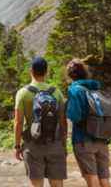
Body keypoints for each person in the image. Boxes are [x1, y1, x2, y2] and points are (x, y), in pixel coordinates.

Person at [14, 57, 68, 187]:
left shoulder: (22, 93)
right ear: (47, 71)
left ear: (30, 71)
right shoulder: (56, 92)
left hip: (33, 144)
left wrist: (17, 146)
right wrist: (63, 144)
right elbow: (63, 121)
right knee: (57, 184)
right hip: (54, 143)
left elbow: (18, 122)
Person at [65, 59, 111, 187]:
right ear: (85, 73)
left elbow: (75, 116)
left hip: (83, 140)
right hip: (102, 139)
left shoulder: (75, 90)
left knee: (91, 178)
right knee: (104, 179)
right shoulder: (96, 89)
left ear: (70, 75)